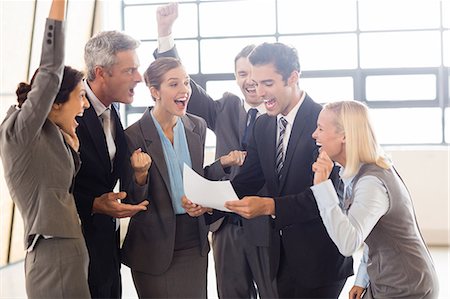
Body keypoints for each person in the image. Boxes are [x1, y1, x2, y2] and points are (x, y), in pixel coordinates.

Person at [187, 42, 354, 298]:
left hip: (319, 259)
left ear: (293, 77)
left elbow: (326, 197)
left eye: (268, 83)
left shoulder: (322, 121)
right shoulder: (263, 125)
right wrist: (210, 203)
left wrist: (268, 206)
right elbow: (247, 182)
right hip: (281, 258)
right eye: (255, 82)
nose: (259, 90)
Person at [154, 3, 277, 298]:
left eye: (253, 73)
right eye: (241, 72)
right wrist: (165, 34)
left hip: (268, 225)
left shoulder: (278, 116)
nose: (248, 80)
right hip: (226, 226)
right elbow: (185, 87)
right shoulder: (226, 108)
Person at [120, 57, 243, 298]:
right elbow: (131, 201)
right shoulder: (132, 135)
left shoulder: (196, 126)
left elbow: (196, 178)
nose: (184, 90)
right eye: (174, 84)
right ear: (155, 91)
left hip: (193, 239)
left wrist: (223, 164)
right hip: (152, 245)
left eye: (186, 83)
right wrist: (140, 174)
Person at [0, 0, 91, 297]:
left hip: (67, 250)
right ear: (53, 102)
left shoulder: (52, 136)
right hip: (54, 257)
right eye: (80, 96)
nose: (85, 105)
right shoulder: (20, 131)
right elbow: (50, 72)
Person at [310, 100, 439, 299]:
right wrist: (362, 279)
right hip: (386, 280)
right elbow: (369, 229)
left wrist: (321, 186)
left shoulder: (371, 183)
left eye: (320, 128)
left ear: (344, 136)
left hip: (407, 287)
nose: (314, 135)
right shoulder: (355, 172)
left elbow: (348, 243)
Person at [73, 30, 149, 298]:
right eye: (130, 70)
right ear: (101, 72)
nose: (139, 77)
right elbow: (49, 183)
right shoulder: (67, 110)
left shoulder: (112, 110)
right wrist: (93, 204)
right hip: (73, 247)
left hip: (106, 245)